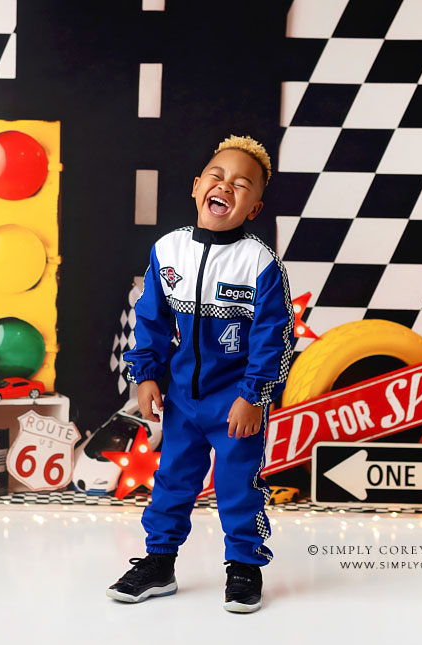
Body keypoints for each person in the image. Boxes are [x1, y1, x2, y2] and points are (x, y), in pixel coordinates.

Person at [106, 135, 295, 613]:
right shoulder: (168, 251)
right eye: (217, 176)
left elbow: (274, 338)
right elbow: (149, 317)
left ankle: (245, 567)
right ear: (196, 187)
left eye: (241, 184)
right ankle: (158, 564)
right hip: (183, 402)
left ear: (254, 208)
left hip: (234, 401)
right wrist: (145, 375)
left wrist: (254, 396)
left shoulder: (260, 263)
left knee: (238, 485)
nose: (226, 186)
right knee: (172, 481)